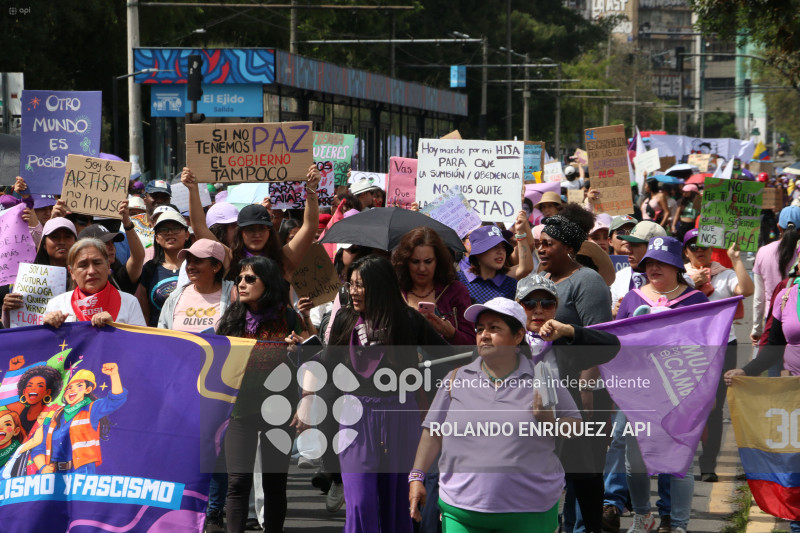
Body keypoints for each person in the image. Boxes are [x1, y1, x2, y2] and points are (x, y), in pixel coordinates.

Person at [408, 297, 582, 532]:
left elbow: (576, 427)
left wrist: (550, 421)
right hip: (461, 513)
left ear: (518, 336)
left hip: (530, 512)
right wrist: (417, 477)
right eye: (480, 329)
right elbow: (433, 432)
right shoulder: (455, 379)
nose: (484, 335)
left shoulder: (543, 377)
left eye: (494, 328)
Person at [317, 255, 449, 533]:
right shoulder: (344, 318)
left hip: (400, 416)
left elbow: (447, 357)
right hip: (354, 417)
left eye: (360, 285)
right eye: (350, 284)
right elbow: (327, 364)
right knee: (360, 502)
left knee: (397, 503)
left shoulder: (408, 319)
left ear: (380, 286)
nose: (353, 291)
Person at [617, 237, 708, 533]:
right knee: (634, 462)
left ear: (675, 266)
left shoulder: (696, 301)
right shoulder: (632, 298)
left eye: (661, 262)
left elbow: (709, 348)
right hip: (637, 394)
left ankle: (679, 524)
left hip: (680, 394)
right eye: (650, 263)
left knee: (680, 462)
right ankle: (643, 516)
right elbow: (616, 342)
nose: (654, 267)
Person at [516, 274, 620, 533]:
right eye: (530, 303)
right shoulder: (508, 341)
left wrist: (569, 330)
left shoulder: (564, 341)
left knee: (587, 481)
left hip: (565, 427)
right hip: (522, 435)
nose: (538, 310)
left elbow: (612, 346)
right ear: (518, 305)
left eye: (547, 303)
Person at [215, 256, 308, 533]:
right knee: (237, 483)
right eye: (239, 279)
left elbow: (310, 365)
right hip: (239, 411)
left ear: (267, 283)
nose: (241, 284)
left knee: (274, 484)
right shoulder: (230, 320)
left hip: (279, 410)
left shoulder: (290, 319)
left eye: (250, 279)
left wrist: (297, 353)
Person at [535, 205, 612, 533]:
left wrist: (587, 392)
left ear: (568, 248)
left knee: (585, 475)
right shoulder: (536, 281)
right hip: (541, 392)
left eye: (548, 243)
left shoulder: (587, 281)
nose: (541, 248)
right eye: (539, 242)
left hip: (580, 394)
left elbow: (600, 339)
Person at [682, 228, 753, 482]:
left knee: (715, 407)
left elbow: (746, 290)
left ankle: (708, 464)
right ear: (686, 251)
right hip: (689, 350)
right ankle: (683, 458)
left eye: (704, 246)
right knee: (688, 405)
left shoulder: (725, 274)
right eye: (693, 247)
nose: (699, 251)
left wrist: (735, 259)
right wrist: (694, 283)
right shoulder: (679, 277)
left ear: (712, 250)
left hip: (724, 347)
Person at [182, 165, 320, 282]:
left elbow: (310, 226)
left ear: (270, 231)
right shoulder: (230, 259)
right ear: (240, 233)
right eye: (250, 229)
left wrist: (311, 189)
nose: (256, 234)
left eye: (262, 228)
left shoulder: (283, 259)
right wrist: (192, 189)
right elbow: (199, 228)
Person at [392, 227, 475, 345]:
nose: (422, 268)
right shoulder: (394, 291)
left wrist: (451, 333)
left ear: (438, 261)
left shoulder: (455, 291)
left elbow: (472, 344)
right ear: (406, 262)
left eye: (428, 261)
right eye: (415, 261)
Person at [43, 238, 146, 328]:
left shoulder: (129, 303)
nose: (91, 271)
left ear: (108, 266)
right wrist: (48, 329)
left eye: (97, 263)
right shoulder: (56, 305)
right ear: (72, 272)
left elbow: (140, 346)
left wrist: (115, 329)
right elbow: (47, 347)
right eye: (83, 265)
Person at [157, 239, 233, 332]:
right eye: (188, 261)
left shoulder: (233, 295)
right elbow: (163, 333)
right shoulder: (175, 296)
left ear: (216, 266)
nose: (190, 267)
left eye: (197, 261)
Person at [751, 206, 800, 348]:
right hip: (797, 321)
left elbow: (759, 298)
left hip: (772, 320)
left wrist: (756, 329)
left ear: (779, 227)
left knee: (772, 365)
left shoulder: (763, 252)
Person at [457, 214, 533, 304]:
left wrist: (520, 232)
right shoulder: (458, 280)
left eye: (503, 246)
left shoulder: (511, 285)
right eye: (494, 246)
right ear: (478, 253)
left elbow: (525, 267)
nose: (501, 252)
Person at [77, 201, 145, 295]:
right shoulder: (71, 284)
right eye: (105, 243)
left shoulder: (119, 276)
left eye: (112, 243)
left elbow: (138, 257)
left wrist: (127, 223)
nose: (111, 247)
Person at [136, 210, 190, 327]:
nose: (170, 233)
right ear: (156, 238)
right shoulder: (149, 269)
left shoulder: (196, 266)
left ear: (187, 235)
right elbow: (145, 315)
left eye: (176, 228)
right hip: (159, 338)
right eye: (163, 230)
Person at [610, 221, 668, 316]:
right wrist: (615, 313)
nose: (628, 250)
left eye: (635, 245)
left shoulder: (677, 279)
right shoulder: (619, 277)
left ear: (653, 248)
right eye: (629, 245)